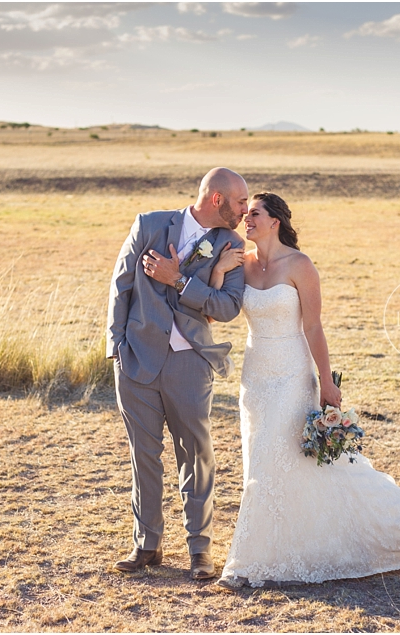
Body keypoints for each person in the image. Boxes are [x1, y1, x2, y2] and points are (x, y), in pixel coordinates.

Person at [207, 192, 400, 589]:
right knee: (266, 463)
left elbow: (313, 327)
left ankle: (245, 565)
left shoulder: (300, 265)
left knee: (271, 459)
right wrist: (217, 272)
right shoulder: (239, 263)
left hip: (292, 375)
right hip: (255, 376)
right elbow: (215, 311)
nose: (247, 219)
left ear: (275, 221)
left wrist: (326, 380)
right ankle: (284, 545)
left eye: (255, 213)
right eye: (248, 215)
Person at [106, 167, 249, 580]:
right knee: (143, 456)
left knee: (196, 456)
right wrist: (115, 346)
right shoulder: (150, 225)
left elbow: (227, 308)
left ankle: (199, 551)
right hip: (136, 362)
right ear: (217, 199)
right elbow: (121, 286)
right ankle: (146, 544)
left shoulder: (231, 245)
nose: (245, 210)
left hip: (190, 363)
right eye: (241, 202)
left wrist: (180, 279)